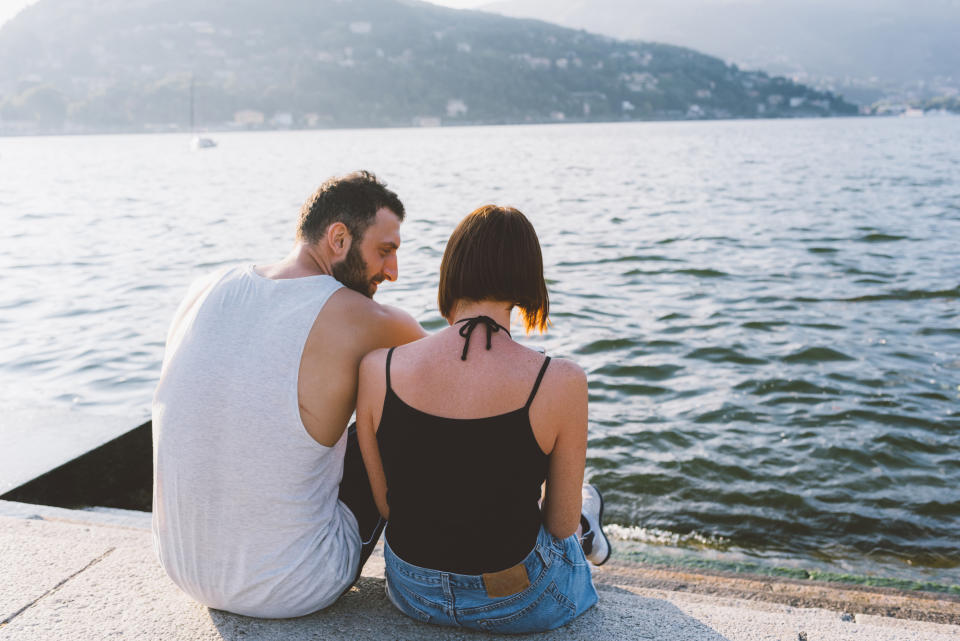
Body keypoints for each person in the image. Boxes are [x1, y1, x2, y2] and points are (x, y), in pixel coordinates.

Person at [152, 170, 426, 618]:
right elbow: (459, 379)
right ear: (338, 238)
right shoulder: (370, 319)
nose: (392, 272)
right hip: (295, 583)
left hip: (183, 568)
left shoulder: (205, 287)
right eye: (385, 251)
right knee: (397, 418)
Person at [355, 205, 611, 634]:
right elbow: (558, 525)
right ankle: (592, 520)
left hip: (412, 591)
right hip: (514, 599)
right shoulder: (561, 380)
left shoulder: (377, 368)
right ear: (529, 279)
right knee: (573, 530)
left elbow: (386, 505)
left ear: (452, 270)